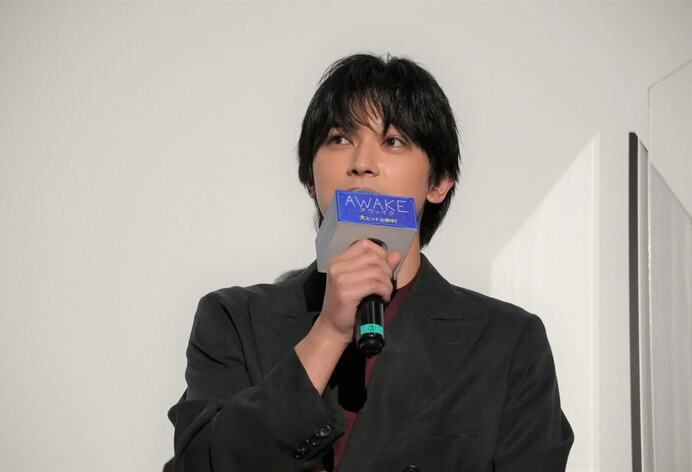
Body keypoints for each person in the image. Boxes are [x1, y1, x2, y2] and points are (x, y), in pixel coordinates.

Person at [167, 53, 574, 472]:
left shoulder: (507, 342)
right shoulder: (235, 320)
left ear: (438, 182)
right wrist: (328, 333)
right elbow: (201, 464)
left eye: (393, 141)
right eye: (340, 139)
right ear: (310, 179)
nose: (361, 164)